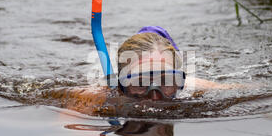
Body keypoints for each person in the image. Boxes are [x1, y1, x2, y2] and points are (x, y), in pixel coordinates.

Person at [45, 26, 241, 115]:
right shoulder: (102, 94)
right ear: (120, 84)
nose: (154, 95)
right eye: (139, 83)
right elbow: (68, 122)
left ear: (180, 81)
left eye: (165, 81)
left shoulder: (193, 86)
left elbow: (243, 90)